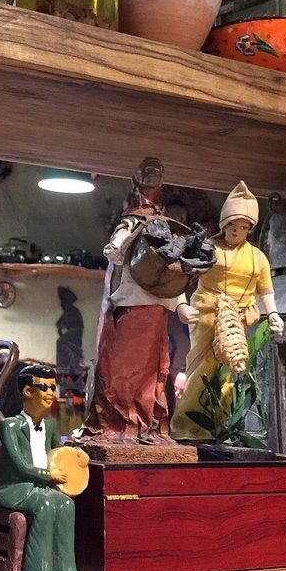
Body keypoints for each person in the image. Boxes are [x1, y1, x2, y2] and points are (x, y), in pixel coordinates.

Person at [82, 157, 207, 445]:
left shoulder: (164, 226)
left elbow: (168, 272)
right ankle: (121, 422)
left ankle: (144, 423)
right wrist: (123, 240)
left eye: (156, 174)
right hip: (132, 306)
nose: (152, 179)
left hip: (156, 310)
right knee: (123, 368)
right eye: (148, 175)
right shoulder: (133, 221)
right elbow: (115, 253)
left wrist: (181, 305)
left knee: (152, 371)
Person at [170, 181, 284, 441]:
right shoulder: (208, 247)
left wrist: (273, 313)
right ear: (223, 223)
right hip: (208, 313)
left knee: (232, 371)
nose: (237, 231)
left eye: (244, 227)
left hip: (240, 319)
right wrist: (181, 305)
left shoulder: (257, 257)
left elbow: (266, 290)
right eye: (233, 224)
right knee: (201, 368)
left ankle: (221, 425)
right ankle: (187, 425)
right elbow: (179, 278)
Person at [0, 364, 85, 571]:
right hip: (16, 488)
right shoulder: (10, 426)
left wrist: (78, 456)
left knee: (65, 504)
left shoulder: (50, 427)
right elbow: (19, 465)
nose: (50, 393)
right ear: (27, 391)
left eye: (52, 388)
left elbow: (60, 455)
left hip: (41, 488)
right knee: (44, 506)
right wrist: (48, 475)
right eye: (44, 387)